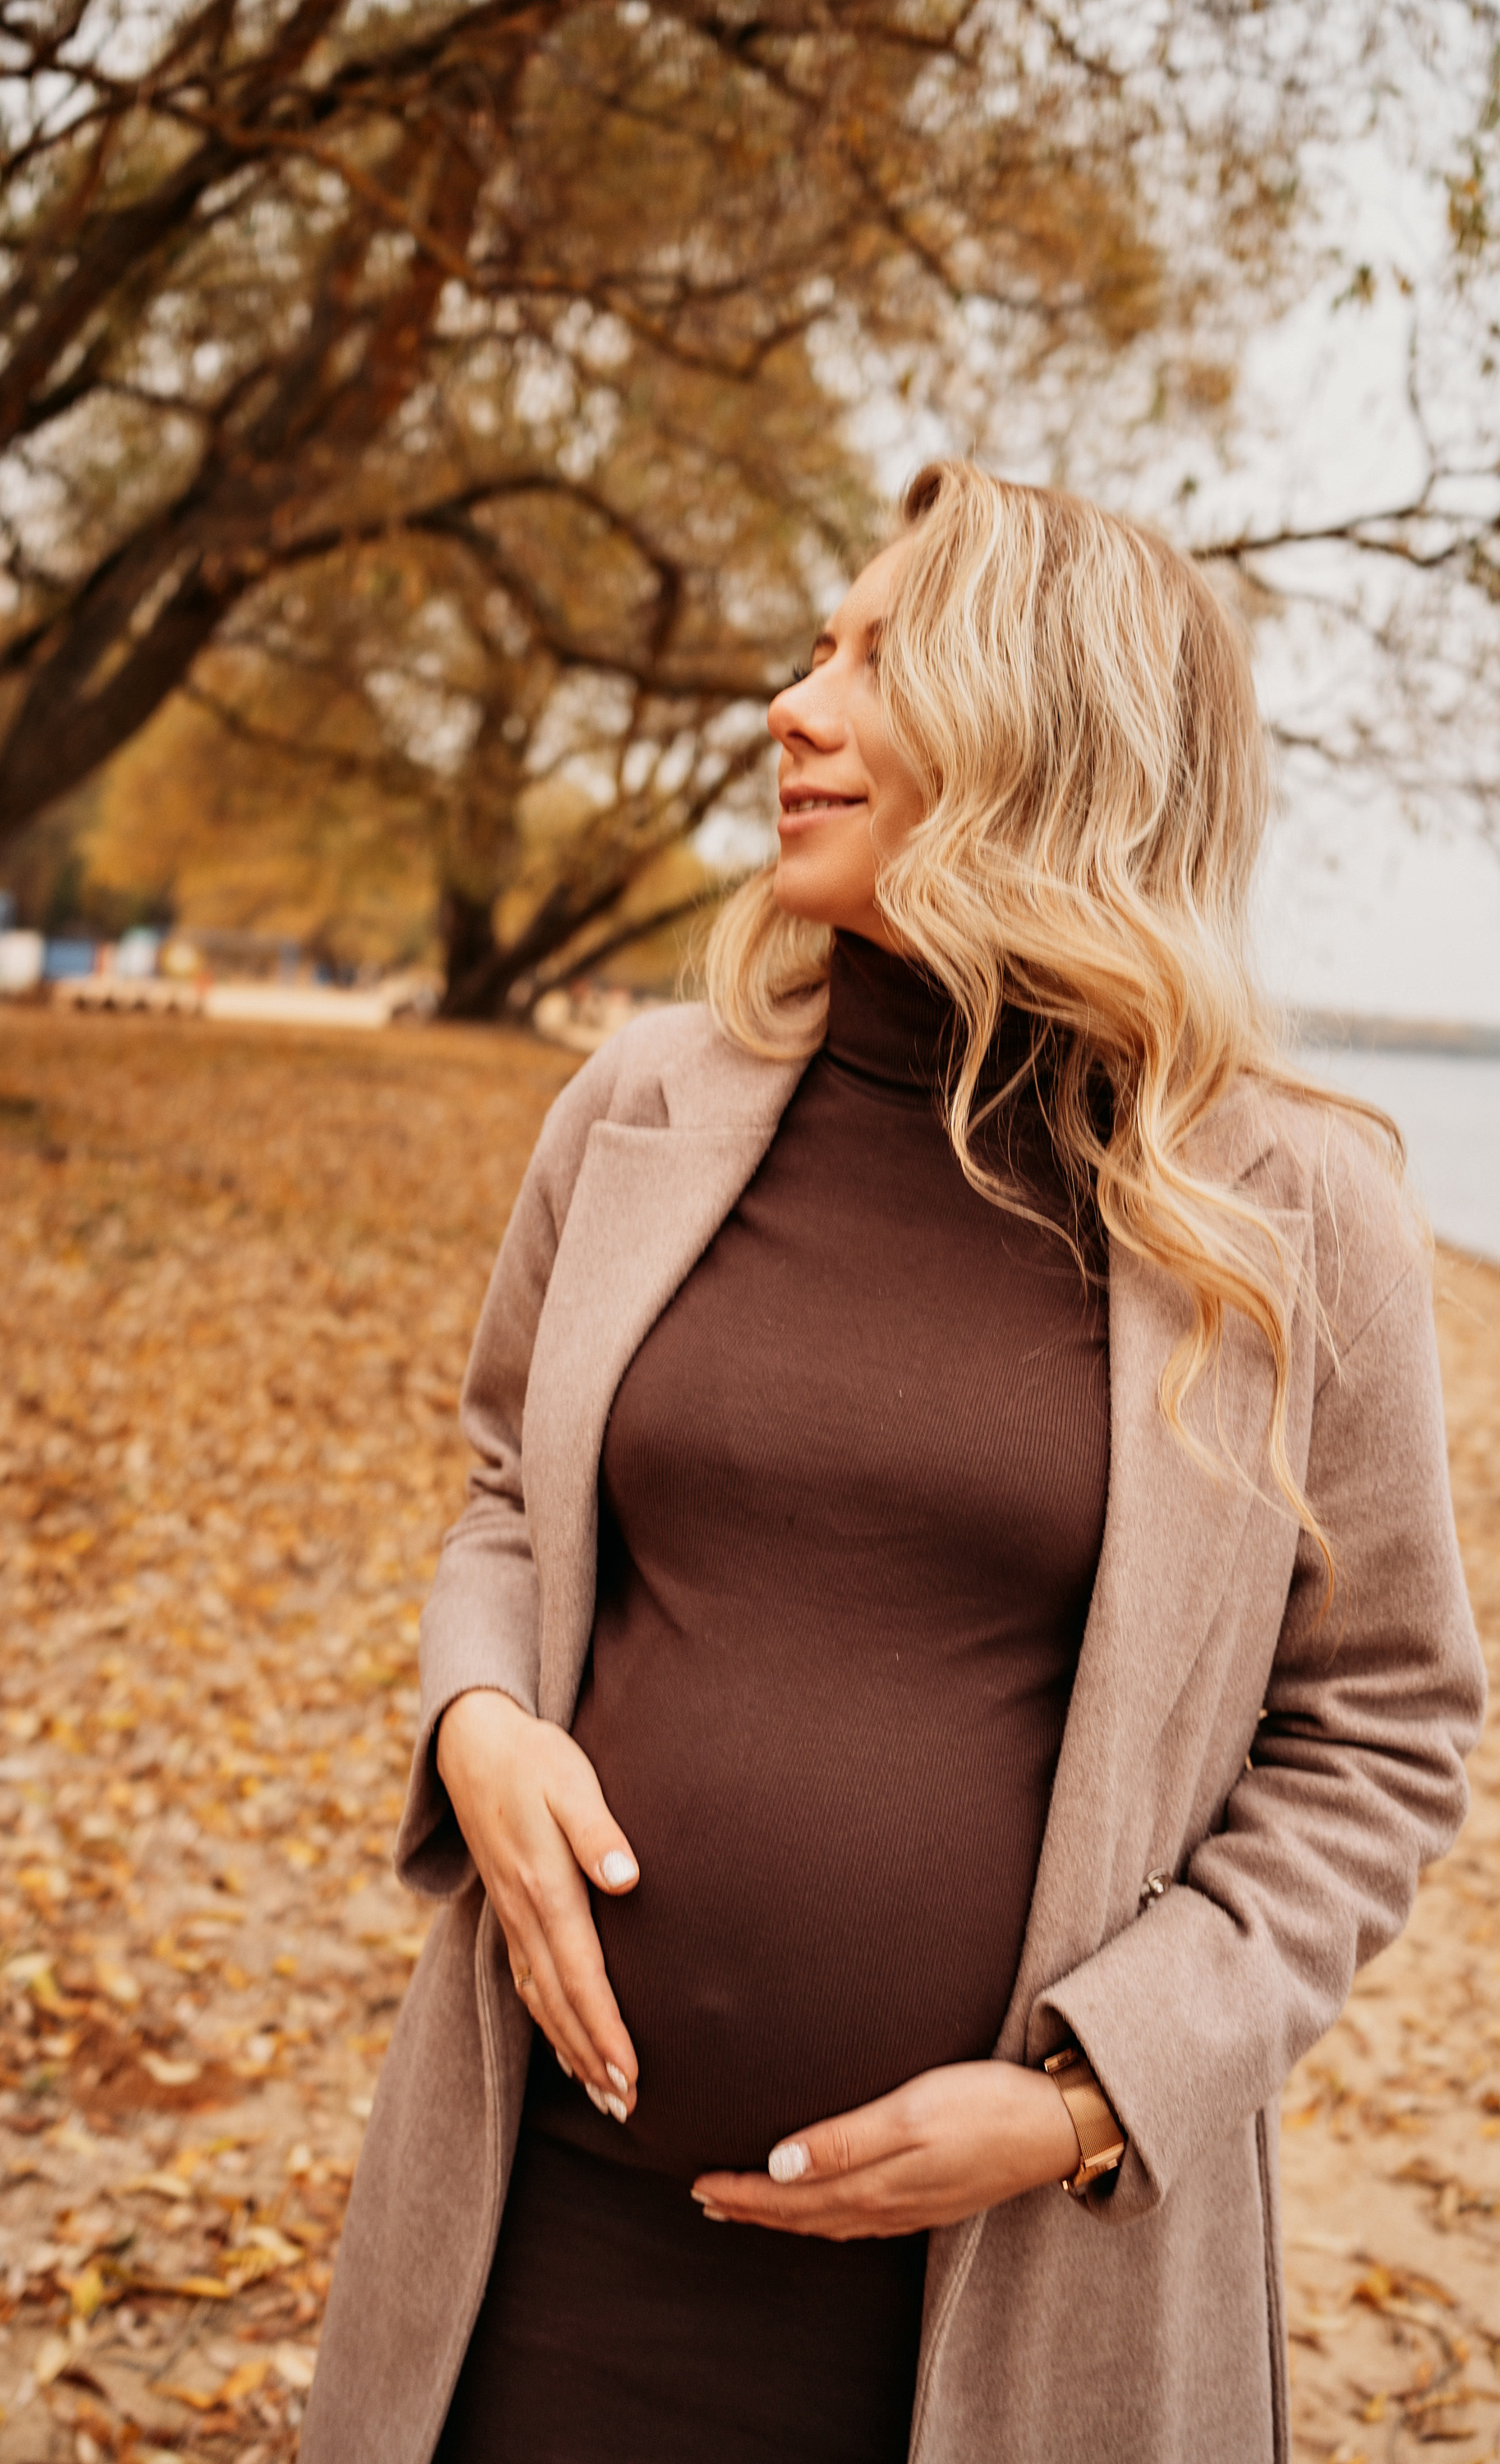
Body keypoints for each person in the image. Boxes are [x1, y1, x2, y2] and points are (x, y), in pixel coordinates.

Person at [301, 463, 1484, 2464]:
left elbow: (1379, 1731)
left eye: (874, 659)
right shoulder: (636, 1106)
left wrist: (1097, 2095)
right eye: (811, 649)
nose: (790, 704)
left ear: (1051, 731)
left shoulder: (1291, 1210)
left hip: (1019, 2299)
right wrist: (479, 1724)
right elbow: (507, 1496)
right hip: (547, 2242)